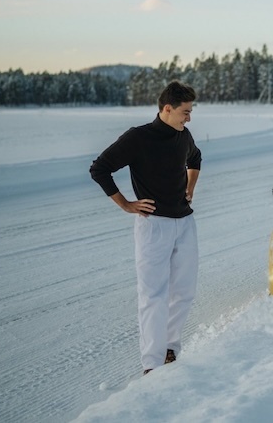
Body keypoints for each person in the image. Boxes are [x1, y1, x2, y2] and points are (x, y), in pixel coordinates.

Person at [89, 81, 202, 375]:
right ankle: (151, 364)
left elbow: (195, 157)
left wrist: (190, 186)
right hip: (154, 226)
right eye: (185, 112)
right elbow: (99, 169)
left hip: (185, 223)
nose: (189, 118)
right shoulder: (138, 138)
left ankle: (169, 349)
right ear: (167, 108)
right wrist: (126, 204)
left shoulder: (183, 135)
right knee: (153, 295)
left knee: (185, 292)